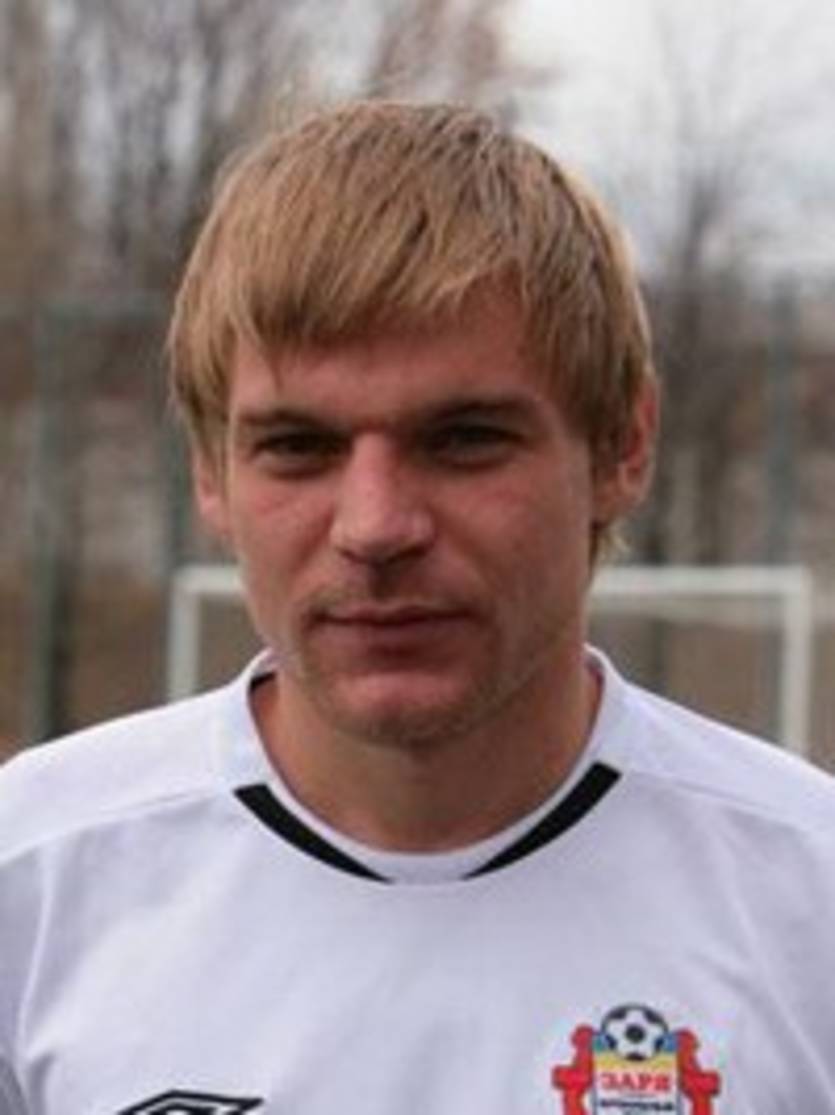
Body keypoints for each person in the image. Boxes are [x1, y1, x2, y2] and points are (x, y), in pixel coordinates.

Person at [1, 100, 834, 1115]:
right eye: (297, 447)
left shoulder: (808, 901)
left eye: (464, 439)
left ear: (623, 444)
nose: (376, 526)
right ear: (210, 476)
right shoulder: (32, 879)